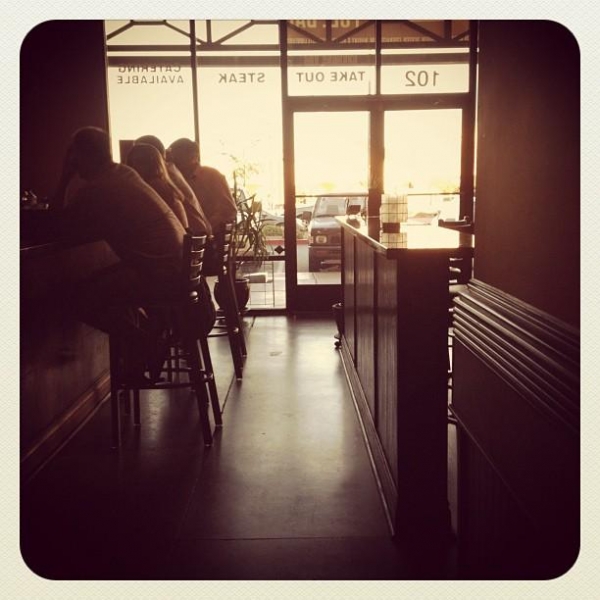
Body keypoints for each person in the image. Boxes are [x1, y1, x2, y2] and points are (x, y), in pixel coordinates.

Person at [53, 126, 187, 381]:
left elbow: (58, 227)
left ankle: (144, 343)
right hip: (173, 269)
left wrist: (64, 179)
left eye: (73, 155)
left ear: (82, 155)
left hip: (160, 273)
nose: (71, 161)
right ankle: (140, 349)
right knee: (106, 286)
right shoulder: (125, 174)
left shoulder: (99, 189)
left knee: (75, 298)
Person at [134, 134, 212, 236]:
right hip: (197, 237)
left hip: (195, 238)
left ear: (149, 157)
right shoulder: (171, 172)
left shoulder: (161, 179)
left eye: (137, 159)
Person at [168, 137, 237, 236]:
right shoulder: (178, 180)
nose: (173, 164)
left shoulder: (212, 176)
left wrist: (205, 226)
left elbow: (229, 210)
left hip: (209, 239)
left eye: (176, 159)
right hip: (197, 237)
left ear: (193, 157)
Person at [126, 143, 189, 229]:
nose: (133, 167)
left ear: (151, 164)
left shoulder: (155, 187)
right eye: (130, 163)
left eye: (140, 162)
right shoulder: (163, 184)